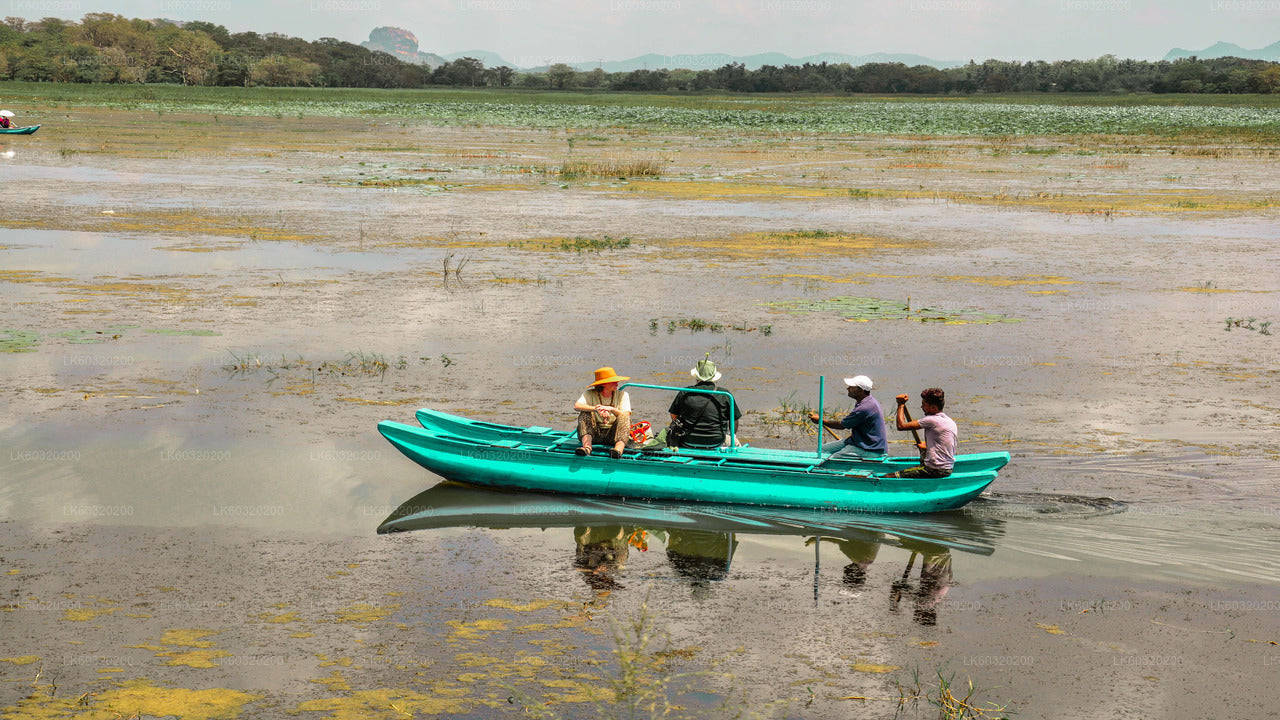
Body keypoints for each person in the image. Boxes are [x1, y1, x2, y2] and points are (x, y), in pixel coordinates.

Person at [666, 355, 742, 449]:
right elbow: (734, 419)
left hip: (688, 440)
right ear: (714, 377)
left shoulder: (685, 392)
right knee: (736, 444)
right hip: (716, 441)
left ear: (696, 376)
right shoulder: (725, 395)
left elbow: (673, 414)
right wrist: (732, 436)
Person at [809, 375, 887, 461]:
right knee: (822, 450)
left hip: (870, 449)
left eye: (851, 387)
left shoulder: (865, 407)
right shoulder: (866, 401)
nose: (848, 388)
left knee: (833, 459)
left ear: (861, 390)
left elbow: (841, 425)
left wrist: (821, 421)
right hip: (858, 442)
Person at [887, 388, 957, 478]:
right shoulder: (949, 421)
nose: (921, 407)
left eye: (924, 405)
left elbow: (901, 426)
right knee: (912, 469)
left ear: (933, 407)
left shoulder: (931, 420)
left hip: (934, 470)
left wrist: (901, 405)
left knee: (890, 476)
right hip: (947, 468)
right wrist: (928, 446)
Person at [573, 367, 632, 458]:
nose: (617, 383)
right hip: (594, 434)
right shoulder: (590, 394)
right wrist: (596, 409)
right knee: (585, 413)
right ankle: (587, 448)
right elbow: (577, 406)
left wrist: (611, 409)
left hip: (613, 435)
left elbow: (626, 414)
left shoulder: (623, 395)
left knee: (624, 417)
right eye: (613, 381)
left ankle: (618, 451)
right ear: (604, 384)